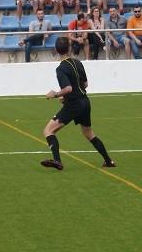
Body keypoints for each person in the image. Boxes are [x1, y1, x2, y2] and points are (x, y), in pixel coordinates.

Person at [41, 36, 115, 170]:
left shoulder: (61, 68)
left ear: (56, 50)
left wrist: (55, 94)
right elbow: (85, 84)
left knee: (48, 130)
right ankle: (108, 161)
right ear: (69, 48)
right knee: (89, 133)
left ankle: (57, 161)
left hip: (74, 105)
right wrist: (66, 97)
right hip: (85, 102)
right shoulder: (78, 62)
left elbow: (68, 88)